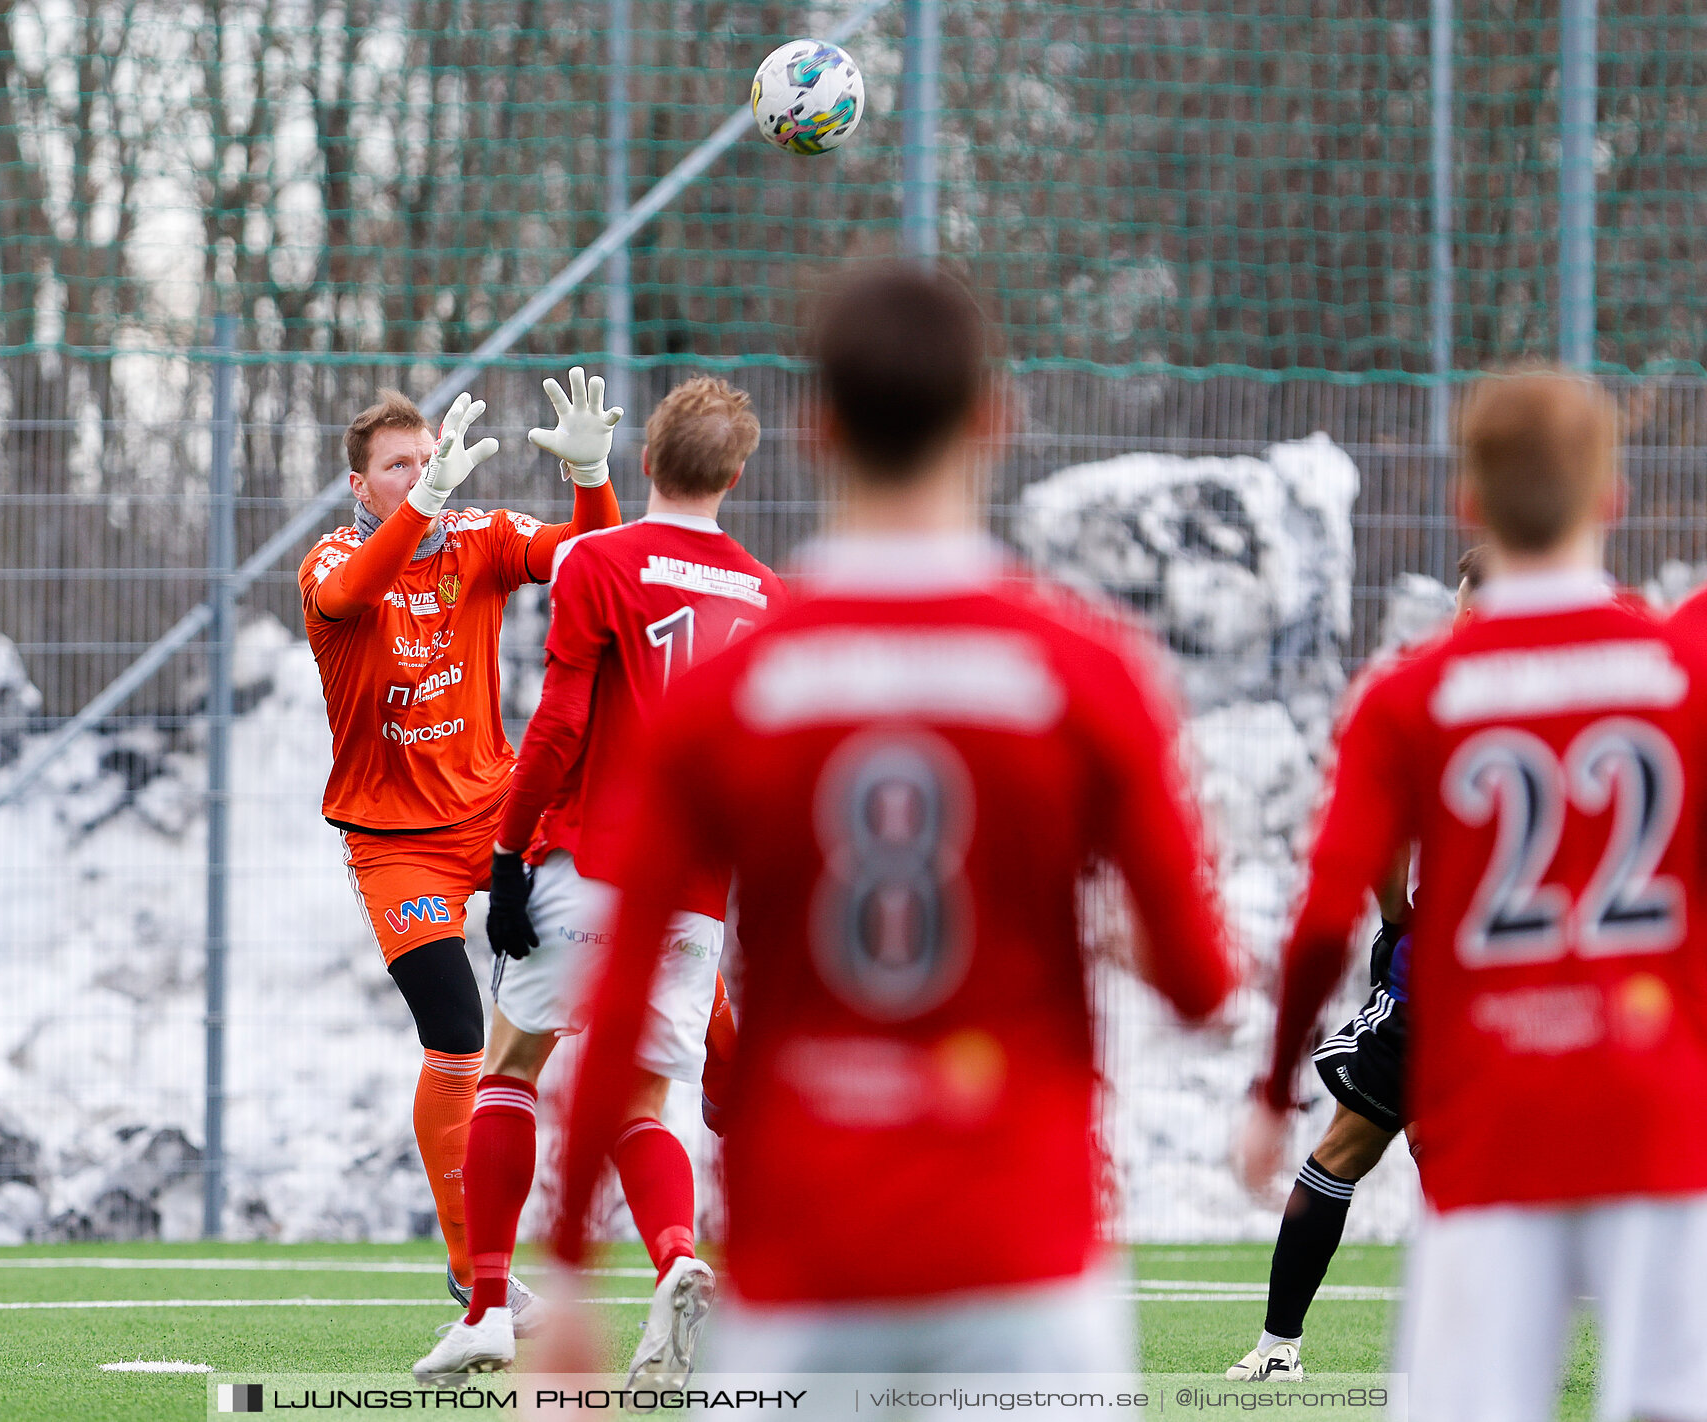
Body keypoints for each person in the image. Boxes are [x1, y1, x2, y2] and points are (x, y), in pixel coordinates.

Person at [538, 263, 1238, 1387]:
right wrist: (1122, 934)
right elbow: (1205, 988)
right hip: (1025, 1251)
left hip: (807, 1245)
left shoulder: (735, 687)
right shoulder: (1089, 670)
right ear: (994, 421)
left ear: (815, 431)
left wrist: (570, 1269)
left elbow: (618, 1003)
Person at [1238, 370, 1707, 1422]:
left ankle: (1278, 1344)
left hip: (1495, 1105)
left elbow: (1322, 917)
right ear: (1611, 498)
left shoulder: (1407, 697)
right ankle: (1278, 1342)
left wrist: (1270, 1090)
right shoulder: (1680, 668)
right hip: (1660, 1116)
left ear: (1470, 503)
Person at [411, 376, 785, 1386]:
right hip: (693, 896)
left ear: (648, 461)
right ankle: (675, 1257)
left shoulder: (606, 562)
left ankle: (488, 1306)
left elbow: (562, 723)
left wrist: (506, 851)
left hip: (589, 861)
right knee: (638, 1100)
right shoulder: (767, 595)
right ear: (738, 474)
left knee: (512, 1068)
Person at [299, 371, 622, 1316]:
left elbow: (588, 558)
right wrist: (424, 505)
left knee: (613, 947)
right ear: (362, 487)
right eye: (398, 465)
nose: (419, 472)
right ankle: (469, 1258)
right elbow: (358, 589)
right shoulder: (328, 564)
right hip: (395, 843)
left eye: (427, 456)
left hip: (493, 816)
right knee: (454, 1044)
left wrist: (593, 476)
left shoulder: (479, 538)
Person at [1227, 545, 1488, 1383]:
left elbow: (1377, 846)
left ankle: (1277, 1351)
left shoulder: (1427, 693)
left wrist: (1396, 918)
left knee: (1344, 1147)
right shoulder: (1599, 687)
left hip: (1440, 975)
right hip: (1549, 983)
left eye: (1465, 604)